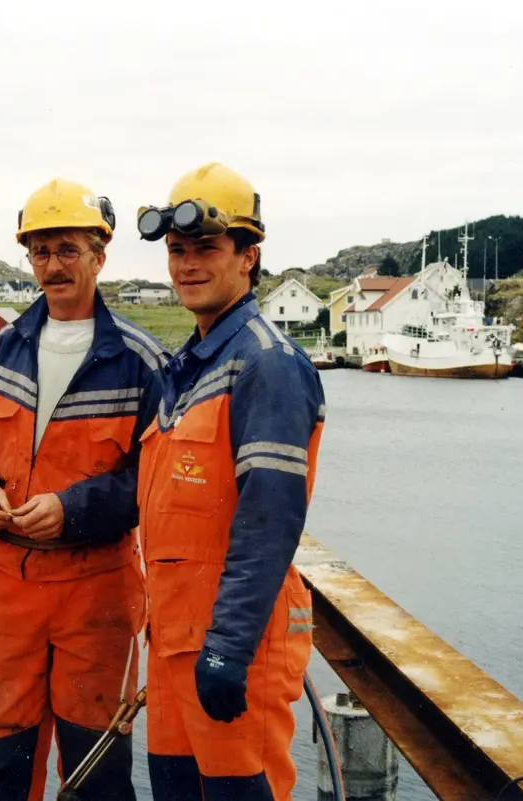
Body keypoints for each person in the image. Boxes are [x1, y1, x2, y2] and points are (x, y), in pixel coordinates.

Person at [0, 178, 166, 801]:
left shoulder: (140, 359)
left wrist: (71, 511)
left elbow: (152, 482)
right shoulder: (4, 348)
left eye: (68, 249)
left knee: (95, 771)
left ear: (100, 255)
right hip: (11, 587)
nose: (53, 265)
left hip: (96, 589)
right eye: (40, 251)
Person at [133, 163, 325, 801]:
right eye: (177, 251)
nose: (188, 264)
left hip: (233, 645)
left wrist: (230, 649)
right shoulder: (187, 368)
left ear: (249, 257)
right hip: (174, 645)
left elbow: (269, 519)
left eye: (207, 248)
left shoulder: (267, 364)